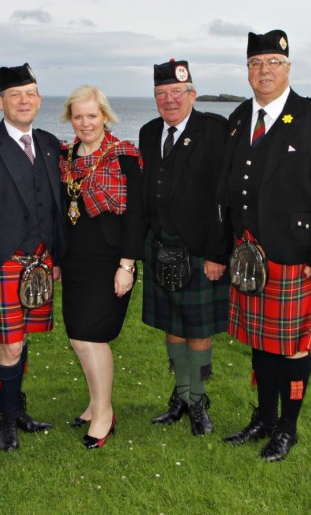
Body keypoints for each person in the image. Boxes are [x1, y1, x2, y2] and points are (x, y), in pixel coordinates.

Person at [219, 30, 311, 461]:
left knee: (293, 346)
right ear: (247, 71)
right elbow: (229, 188)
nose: (265, 71)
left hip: (296, 254)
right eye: (257, 64)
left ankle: (287, 429)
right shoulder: (240, 117)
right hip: (249, 255)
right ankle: (263, 418)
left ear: (288, 68)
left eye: (274, 63)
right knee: (261, 343)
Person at [0, 63, 67, 452]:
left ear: (39, 100)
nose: (23, 101)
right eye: (14, 95)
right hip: (2, 262)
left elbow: (56, 206)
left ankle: (19, 408)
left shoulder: (48, 143)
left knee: (22, 341)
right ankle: (7, 421)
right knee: (9, 345)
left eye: (30, 94)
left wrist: (55, 257)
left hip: (41, 261)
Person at [139, 59, 230, 436]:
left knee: (198, 328)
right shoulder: (147, 132)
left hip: (199, 248)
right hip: (161, 245)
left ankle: (198, 399)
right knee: (172, 324)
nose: (169, 100)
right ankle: (180, 394)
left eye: (177, 92)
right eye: (161, 94)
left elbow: (224, 197)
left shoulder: (214, 130)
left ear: (192, 94)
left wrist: (217, 252)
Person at [59, 85, 146, 449]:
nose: (85, 123)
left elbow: (137, 215)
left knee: (89, 336)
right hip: (75, 261)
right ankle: (96, 403)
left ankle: (104, 416)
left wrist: (127, 264)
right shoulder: (66, 156)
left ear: (105, 116)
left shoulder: (124, 155)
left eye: (92, 115)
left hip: (112, 261)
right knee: (78, 337)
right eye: (78, 116)